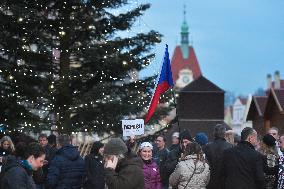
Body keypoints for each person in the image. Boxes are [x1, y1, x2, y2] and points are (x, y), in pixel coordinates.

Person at [203, 124, 233, 189]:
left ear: (214, 133)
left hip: (210, 182)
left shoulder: (207, 147)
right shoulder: (231, 147)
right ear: (224, 134)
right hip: (225, 182)